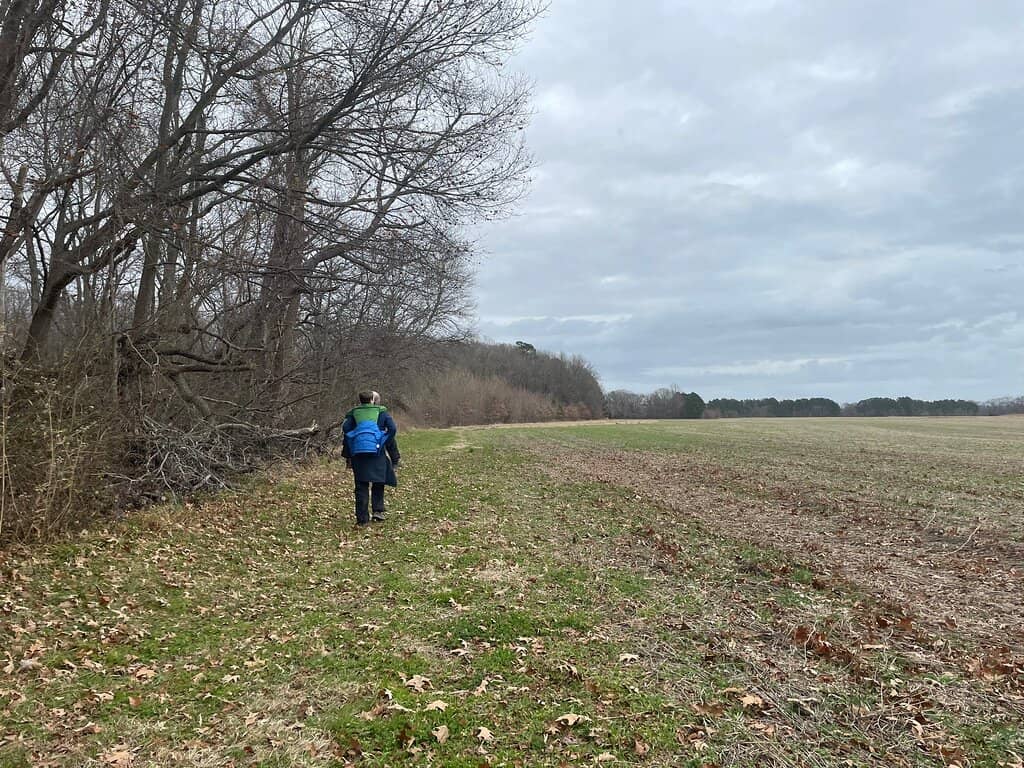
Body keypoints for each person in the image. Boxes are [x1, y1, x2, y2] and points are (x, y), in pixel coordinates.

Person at [341, 390, 400, 526]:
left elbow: (346, 429)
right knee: (378, 481)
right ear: (373, 400)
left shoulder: (354, 414)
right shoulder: (381, 412)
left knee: (361, 486)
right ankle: (378, 511)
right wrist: (384, 439)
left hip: (359, 455)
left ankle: (362, 519)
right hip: (377, 452)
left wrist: (350, 450)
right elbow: (392, 428)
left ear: (360, 400)